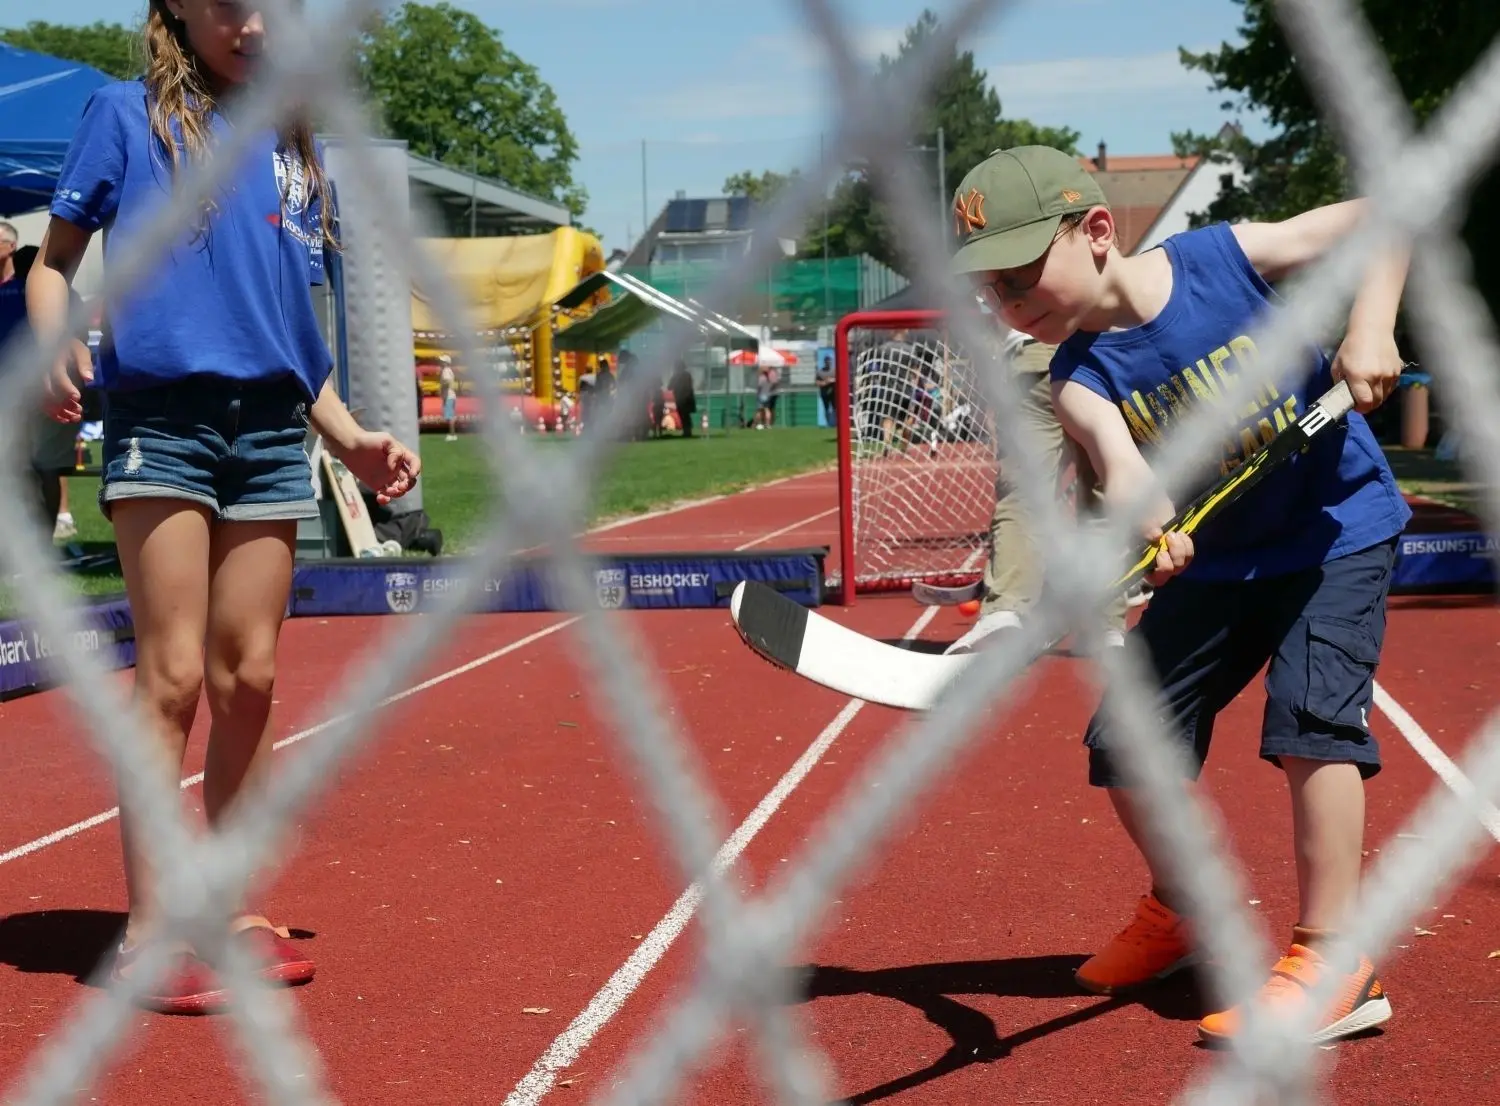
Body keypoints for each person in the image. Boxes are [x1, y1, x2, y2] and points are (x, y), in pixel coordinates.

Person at [951, 146, 1410, 1043]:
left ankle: (1335, 964)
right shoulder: (1077, 378)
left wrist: (1372, 325)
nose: (1007, 304)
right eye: (991, 291)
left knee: (1312, 720)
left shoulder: (1226, 257)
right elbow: (1121, 470)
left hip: (1336, 529)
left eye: (1019, 275)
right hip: (1226, 560)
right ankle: (1185, 910)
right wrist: (1150, 523)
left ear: (1095, 232)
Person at [27, 0, 420, 1015]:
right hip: (166, 423)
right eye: (229, 5)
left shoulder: (297, 141)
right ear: (179, 10)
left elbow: (291, 331)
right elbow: (52, 262)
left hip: (270, 435)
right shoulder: (124, 116)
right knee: (172, 672)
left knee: (250, 672)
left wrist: (351, 435)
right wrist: (55, 335)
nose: (251, 23)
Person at [438, 354, 458, 440]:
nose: (440, 363)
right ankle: (452, 433)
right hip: (451, 395)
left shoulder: (445, 371)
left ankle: (452, 434)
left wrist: (442, 387)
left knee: (450, 416)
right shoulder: (449, 370)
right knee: (450, 415)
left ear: (446, 363)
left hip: (448, 395)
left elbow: (447, 381)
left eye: (442, 361)